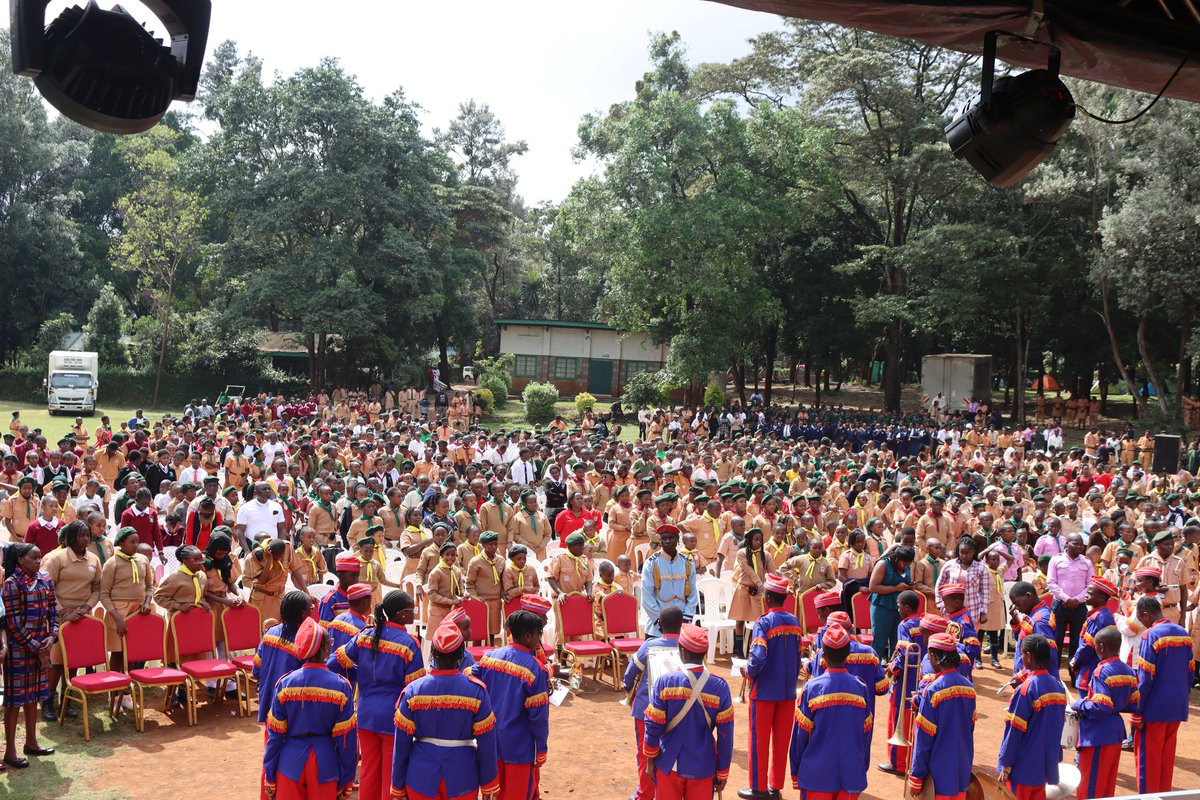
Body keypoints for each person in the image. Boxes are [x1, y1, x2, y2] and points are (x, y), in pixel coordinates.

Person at [390, 618, 500, 800]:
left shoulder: (413, 690)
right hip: (463, 776)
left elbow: (401, 744)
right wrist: (489, 784)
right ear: (461, 655)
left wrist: (397, 785)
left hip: (420, 776)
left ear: (432, 652)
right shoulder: (477, 691)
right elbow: (487, 743)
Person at [331, 591, 423, 800]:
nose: (413, 614)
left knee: (368, 770)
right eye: (411, 610)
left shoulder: (365, 635)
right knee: (390, 774)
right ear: (400, 614)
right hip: (394, 718)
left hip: (364, 715)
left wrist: (358, 673)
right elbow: (414, 689)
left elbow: (336, 661)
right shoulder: (409, 644)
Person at [262, 618, 357, 800]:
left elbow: (274, 736)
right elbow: (346, 740)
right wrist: (347, 778)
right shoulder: (341, 686)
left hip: (289, 763)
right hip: (325, 762)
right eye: (329, 643)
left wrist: (270, 774)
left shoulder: (285, 684)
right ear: (323, 649)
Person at [643, 624, 734, 800]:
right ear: (704, 653)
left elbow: (653, 725)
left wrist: (650, 758)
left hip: (669, 764)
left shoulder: (665, 682)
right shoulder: (720, 687)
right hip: (703, 766)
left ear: (681, 651)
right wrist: (723, 771)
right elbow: (725, 735)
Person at [474, 609, 551, 800]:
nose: (539, 639)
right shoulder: (534, 669)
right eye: (538, 634)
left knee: (492, 793)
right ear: (527, 636)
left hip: (488, 740)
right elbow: (539, 717)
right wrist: (541, 748)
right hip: (519, 746)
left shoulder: (489, 657)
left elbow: (469, 677)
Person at [789, 623, 871, 800]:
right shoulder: (861, 688)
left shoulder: (812, 688)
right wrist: (861, 767)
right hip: (851, 772)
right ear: (848, 654)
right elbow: (866, 734)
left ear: (823, 656)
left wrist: (796, 771)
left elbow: (800, 736)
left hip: (816, 773)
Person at [740, 574, 802, 800]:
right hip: (787, 692)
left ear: (766, 598)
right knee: (781, 741)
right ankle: (775, 787)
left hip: (764, 691)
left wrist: (748, 671)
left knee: (759, 740)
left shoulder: (764, 623)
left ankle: (758, 788)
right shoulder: (795, 622)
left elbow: (757, 656)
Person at [1, 543, 57, 770]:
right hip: (18, 649)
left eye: (39, 557)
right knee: (15, 700)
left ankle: (32, 742)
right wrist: (37, 647)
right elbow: (12, 623)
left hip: (42, 645)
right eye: (34, 558)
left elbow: (53, 609)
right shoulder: (11, 584)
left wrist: (52, 635)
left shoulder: (45, 579)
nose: (38, 561)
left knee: (34, 695)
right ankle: (10, 751)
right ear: (20, 560)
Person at [40, 519, 101, 721]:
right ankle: (48, 702)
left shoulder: (93, 559)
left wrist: (86, 608)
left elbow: (97, 588)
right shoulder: (56, 559)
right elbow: (47, 590)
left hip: (83, 615)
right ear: (70, 538)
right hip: (59, 616)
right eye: (81, 536)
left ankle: (68, 700)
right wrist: (64, 612)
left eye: (87, 536)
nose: (85, 539)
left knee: (74, 660)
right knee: (57, 661)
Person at [254, 591, 312, 800]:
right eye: (309, 609)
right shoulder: (302, 642)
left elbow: (256, 669)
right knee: (288, 763)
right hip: (291, 713)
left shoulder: (269, 634)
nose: (313, 611)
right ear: (300, 615)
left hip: (269, 707)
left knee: (270, 755)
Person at [622, 605, 684, 800]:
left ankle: (645, 794)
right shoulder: (687, 646)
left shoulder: (649, 646)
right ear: (681, 626)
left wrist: (628, 689)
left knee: (645, 752)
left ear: (660, 625)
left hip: (646, 708)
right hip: (679, 710)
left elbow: (630, 674)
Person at [907, 631, 977, 800]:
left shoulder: (932, 690)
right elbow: (970, 727)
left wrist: (916, 776)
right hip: (962, 766)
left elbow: (923, 739)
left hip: (938, 770)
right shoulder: (969, 687)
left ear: (933, 656)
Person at [1132, 594, 1191, 793]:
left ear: (1146, 615)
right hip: (1177, 706)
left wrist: (1137, 710)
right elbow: (1190, 673)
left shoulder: (1151, 635)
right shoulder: (1183, 633)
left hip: (1154, 708)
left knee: (1148, 760)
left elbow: (1145, 678)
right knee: (1166, 758)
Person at [996, 634, 1067, 800]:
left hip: (1023, 766)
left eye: (1022, 654)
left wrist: (1006, 764)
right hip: (1043, 765)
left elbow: (1014, 730)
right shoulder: (1058, 686)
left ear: (1029, 656)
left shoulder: (1026, 688)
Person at [1072, 626, 1136, 800]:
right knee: (1107, 785)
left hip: (1097, 734)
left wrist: (1080, 704)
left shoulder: (1102, 671)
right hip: (1115, 732)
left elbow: (1101, 706)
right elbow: (1134, 704)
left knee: (1089, 788)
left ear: (1101, 646)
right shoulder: (1129, 670)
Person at [98, 526, 154, 674]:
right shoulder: (112, 563)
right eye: (132, 542)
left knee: (132, 650)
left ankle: (126, 689)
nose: (136, 545)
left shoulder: (143, 560)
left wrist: (147, 602)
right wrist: (118, 618)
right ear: (121, 544)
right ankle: (114, 689)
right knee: (118, 652)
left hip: (139, 611)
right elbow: (104, 594)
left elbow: (149, 586)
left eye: (137, 541)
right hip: (118, 612)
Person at [641, 525, 699, 636]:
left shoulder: (687, 562)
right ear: (659, 540)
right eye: (664, 538)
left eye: (671, 538)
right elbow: (647, 597)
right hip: (657, 628)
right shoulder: (651, 563)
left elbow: (693, 594)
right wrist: (660, 621)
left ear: (678, 539)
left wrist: (686, 618)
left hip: (682, 624)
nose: (667, 541)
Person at [1047, 533, 1094, 662]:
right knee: (1056, 641)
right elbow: (1051, 582)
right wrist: (1066, 599)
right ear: (1066, 543)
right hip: (1059, 606)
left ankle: (1074, 678)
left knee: (1077, 642)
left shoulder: (1087, 562)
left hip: (1079, 608)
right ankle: (1054, 676)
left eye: (1081, 545)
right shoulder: (1056, 560)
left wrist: (1076, 600)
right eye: (1076, 544)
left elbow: (1090, 584)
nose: (1079, 547)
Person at [1068, 576, 1118, 692]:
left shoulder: (1097, 617)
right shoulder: (1105, 614)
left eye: (1090, 593)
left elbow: (1088, 646)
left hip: (1090, 665)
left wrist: (1076, 660)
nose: (1086, 595)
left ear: (1101, 598)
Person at [730, 527, 774, 655]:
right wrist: (761, 584)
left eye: (760, 540)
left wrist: (782, 584)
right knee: (740, 620)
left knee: (758, 621)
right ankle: (740, 651)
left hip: (757, 592)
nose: (758, 543)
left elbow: (773, 573)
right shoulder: (742, 553)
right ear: (749, 540)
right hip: (744, 589)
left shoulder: (766, 555)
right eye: (755, 540)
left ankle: (756, 650)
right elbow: (749, 571)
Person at [867, 545, 915, 659]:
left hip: (900, 609)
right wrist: (896, 588)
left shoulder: (907, 566)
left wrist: (910, 587)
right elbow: (873, 587)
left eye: (909, 564)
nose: (906, 566)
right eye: (904, 563)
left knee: (897, 641)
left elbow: (906, 580)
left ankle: (893, 671)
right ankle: (874, 669)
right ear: (897, 558)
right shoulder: (883, 564)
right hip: (882, 606)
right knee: (880, 641)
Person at [1008, 581, 1058, 679]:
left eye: (1017, 603)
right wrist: (1015, 620)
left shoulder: (1040, 620)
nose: (1016, 608)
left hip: (1037, 680)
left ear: (1028, 596)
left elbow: (1044, 656)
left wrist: (1023, 675)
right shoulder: (1033, 614)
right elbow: (1022, 640)